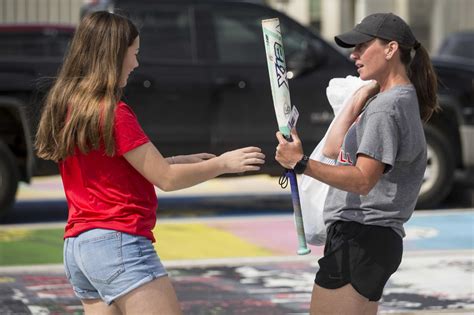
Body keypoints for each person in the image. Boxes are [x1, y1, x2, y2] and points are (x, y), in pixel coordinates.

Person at [35, 11, 265, 315]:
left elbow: (111, 168)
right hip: (118, 243)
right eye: (135, 53)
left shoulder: (69, 106)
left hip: (79, 249)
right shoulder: (114, 112)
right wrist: (222, 164)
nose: (136, 64)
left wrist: (177, 160)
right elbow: (167, 179)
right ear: (114, 54)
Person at [275, 13, 439, 315]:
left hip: (361, 237)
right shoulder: (393, 99)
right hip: (370, 240)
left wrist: (301, 164)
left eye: (363, 46)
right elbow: (337, 149)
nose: (354, 55)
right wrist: (358, 99)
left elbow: (363, 180)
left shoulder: (386, 108)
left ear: (391, 49)